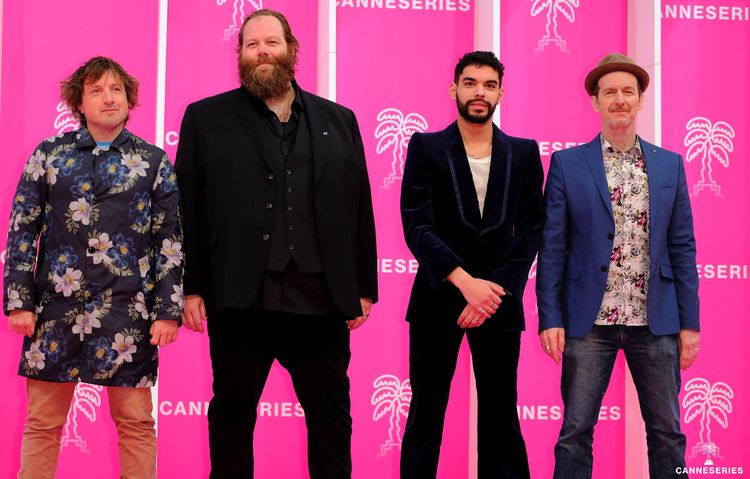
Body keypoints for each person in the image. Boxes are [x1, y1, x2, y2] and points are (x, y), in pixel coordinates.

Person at [174, 9, 377, 479]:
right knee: (232, 412)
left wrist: (363, 286)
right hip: (240, 295)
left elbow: (358, 207)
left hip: (320, 296)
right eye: (252, 44)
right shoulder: (206, 118)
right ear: (240, 54)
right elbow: (186, 207)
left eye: (271, 42)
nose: (262, 51)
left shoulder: (339, 120)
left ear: (291, 49)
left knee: (331, 416)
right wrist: (190, 286)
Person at [3, 56, 183, 479]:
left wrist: (167, 310)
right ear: (79, 103)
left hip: (128, 314)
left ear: (129, 100)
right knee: (42, 422)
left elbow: (169, 242)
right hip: (54, 310)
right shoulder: (49, 155)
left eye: (116, 90)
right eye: (97, 90)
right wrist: (19, 301)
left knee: (136, 423)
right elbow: (22, 228)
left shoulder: (153, 162)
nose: (109, 98)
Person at [536, 53, 700, 478]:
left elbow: (682, 248)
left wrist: (690, 324)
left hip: (656, 321)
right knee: (575, 432)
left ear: (641, 100)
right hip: (588, 321)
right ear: (596, 102)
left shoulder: (670, 165)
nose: (620, 99)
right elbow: (551, 247)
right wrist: (550, 318)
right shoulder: (567, 164)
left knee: (667, 433)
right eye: (609, 92)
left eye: (628, 91)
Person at [399, 51, 543, 479]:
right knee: (426, 415)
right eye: (470, 83)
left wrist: (493, 291)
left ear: (500, 93)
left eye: (489, 85)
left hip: (498, 302)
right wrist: (466, 284)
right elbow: (417, 225)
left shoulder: (523, 153)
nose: (480, 92)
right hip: (438, 297)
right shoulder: (426, 147)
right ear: (454, 89)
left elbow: (532, 228)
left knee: (501, 416)